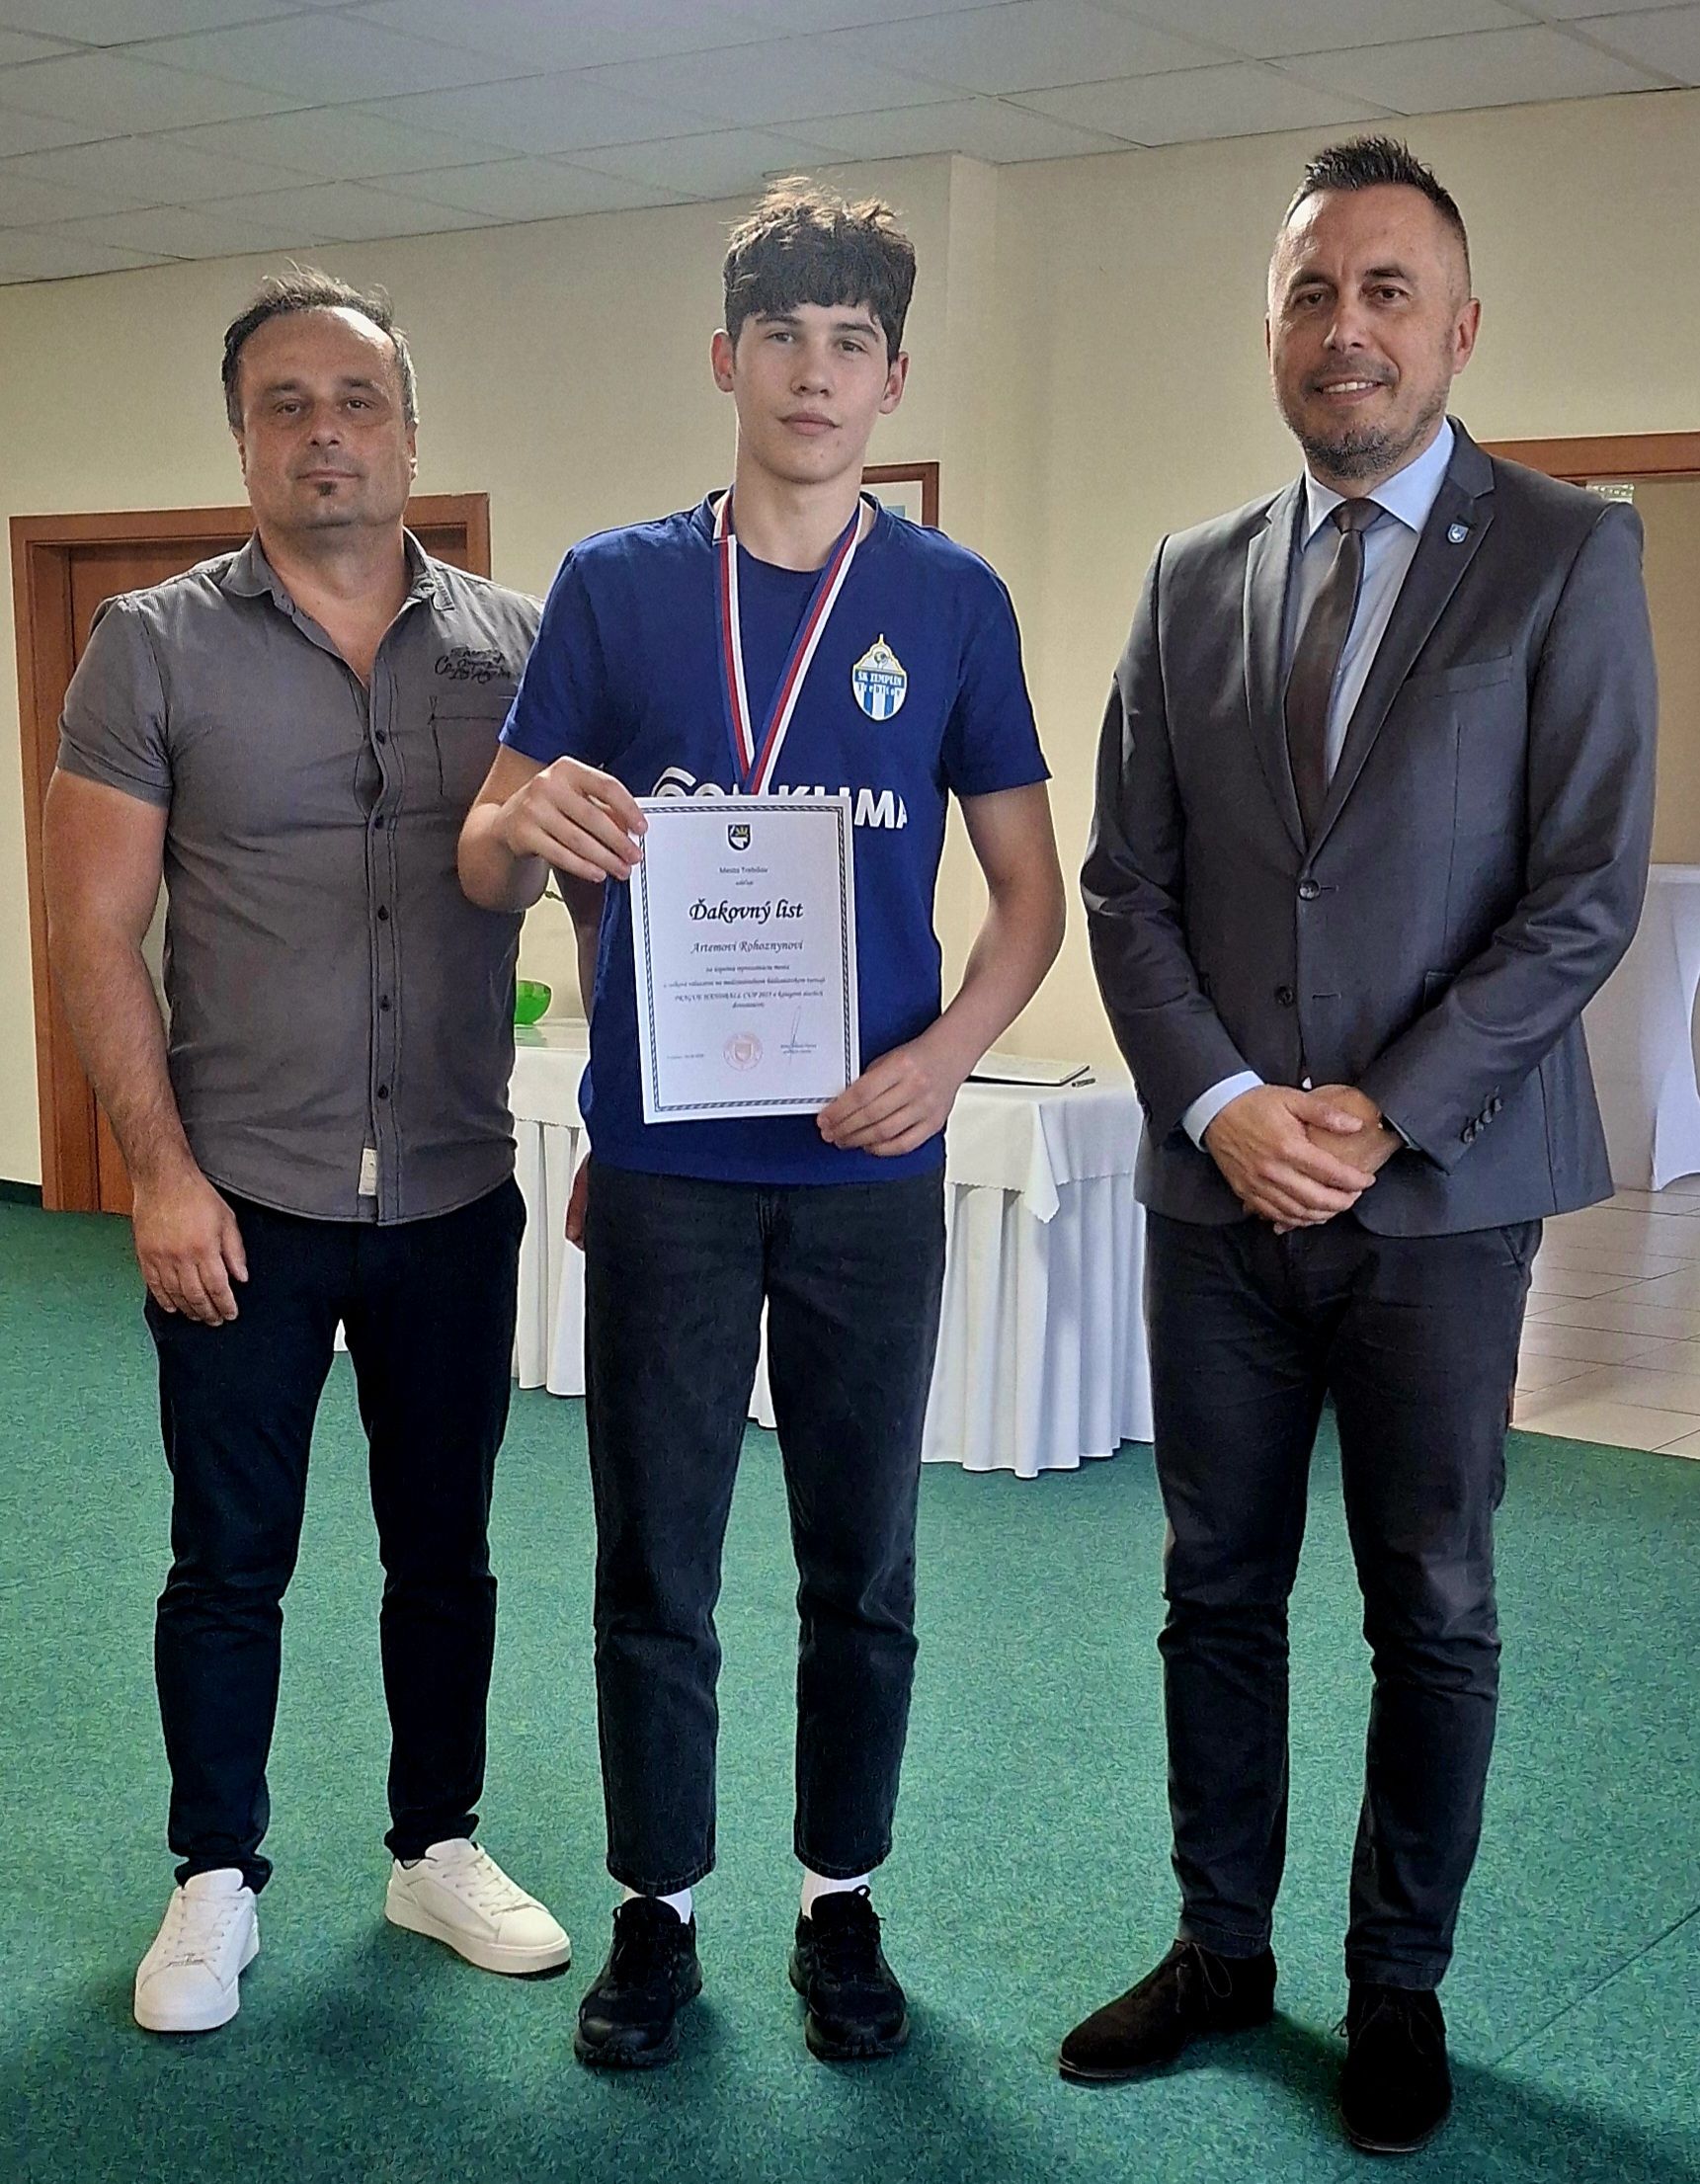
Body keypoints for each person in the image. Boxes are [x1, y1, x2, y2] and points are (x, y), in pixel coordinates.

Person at [1069, 137, 1656, 2153]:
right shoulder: (1188, 573)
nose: (1349, 329)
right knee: (1213, 1585)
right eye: (1313, 293)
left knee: (1435, 1597)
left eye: (1387, 290)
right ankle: (1219, 1947)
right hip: (1215, 1191)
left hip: (1444, 1192)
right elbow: (1127, 884)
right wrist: (1224, 1104)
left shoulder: (1566, 553)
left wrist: (1381, 1108)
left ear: (1459, 326)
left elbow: (1582, 891)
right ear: (1271, 332)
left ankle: (1397, 1979)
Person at [459, 180, 1065, 2069]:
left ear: (892, 380)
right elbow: (482, 852)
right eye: (782, 338)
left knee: (858, 1564)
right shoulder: (615, 586)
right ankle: (657, 1912)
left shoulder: (951, 604)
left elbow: (1029, 898)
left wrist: (948, 1055)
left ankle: (838, 1899)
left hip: (870, 1168)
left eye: (850, 344)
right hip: (668, 1171)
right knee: (656, 1562)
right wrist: (523, 822)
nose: (814, 373)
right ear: (724, 360)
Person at [43, 272, 569, 2036]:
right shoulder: (151, 645)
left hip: (452, 1190)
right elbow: (93, 933)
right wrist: (157, 1173)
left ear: (411, 432)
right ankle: (215, 1876)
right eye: (286, 405)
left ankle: (436, 1847)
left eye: (357, 402)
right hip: (241, 1200)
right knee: (228, 1556)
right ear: (243, 440)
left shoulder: (518, 643)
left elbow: (607, 880)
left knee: (447, 1550)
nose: (324, 433)